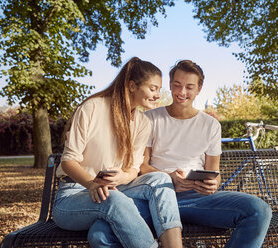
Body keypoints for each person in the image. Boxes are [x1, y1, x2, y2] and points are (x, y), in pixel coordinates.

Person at [90, 59, 272, 247]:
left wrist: (212, 184)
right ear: (170, 85)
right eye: (177, 85)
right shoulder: (150, 118)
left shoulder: (211, 125)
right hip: (155, 196)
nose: (182, 92)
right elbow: (141, 167)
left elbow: (214, 172)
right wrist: (169, 177)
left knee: (259, 210)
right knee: (100, 234)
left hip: (196, 198)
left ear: (199, 89)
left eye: (189, 87)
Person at [53, 57, 183, 248]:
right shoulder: (92, 108)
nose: (158, 95)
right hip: (72, 196)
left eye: (159, 89)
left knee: (161, 179)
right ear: (132, 86)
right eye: (153, 88)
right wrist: (91, 184)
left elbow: (133, 169)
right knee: (111, 199)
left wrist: (122, 177)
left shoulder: (142, 123)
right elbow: (68, 161)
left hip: (117, 190)